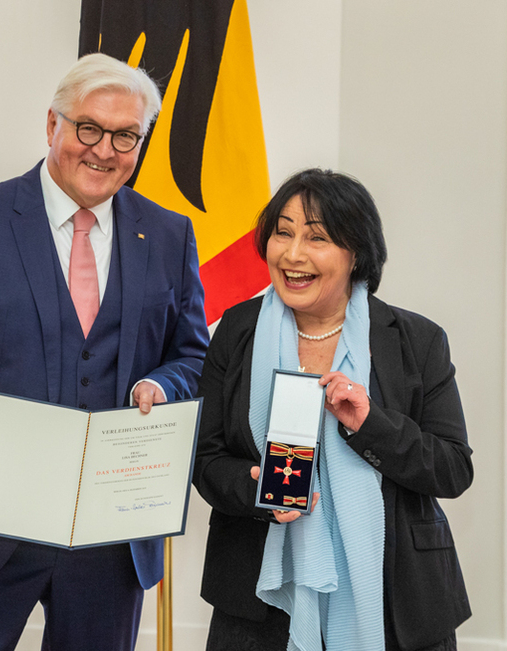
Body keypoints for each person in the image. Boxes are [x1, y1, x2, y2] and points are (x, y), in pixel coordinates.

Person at [0, 53, 209, 651]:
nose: (104, 150)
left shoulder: (169, 234)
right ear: (52, 126)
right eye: (89, 128)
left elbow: (193, 357)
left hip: (110, 538)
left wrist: (164, 386)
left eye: (126, 136)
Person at [193, 169, 472, 651]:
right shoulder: (237, 331)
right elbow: (206, 459)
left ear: (356, 254)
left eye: (317, 237)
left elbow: (452, 469)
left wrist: (371, 425)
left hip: (395, 597)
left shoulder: (416, 341)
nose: (293, 254)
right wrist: (258, 490)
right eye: (283, 232)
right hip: (259, 602)